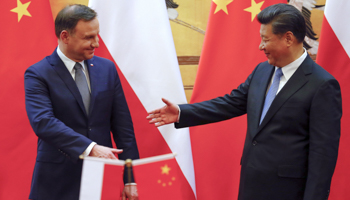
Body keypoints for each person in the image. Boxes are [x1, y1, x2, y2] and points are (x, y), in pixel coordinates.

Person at [147, 3, 342, 200]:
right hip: (251, 185)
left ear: (288, 38)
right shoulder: (262, 71)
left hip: (289, 192)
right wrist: (182, 112)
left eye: (266, 39)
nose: (260, 46)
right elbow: (230, 103)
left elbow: (322, 157)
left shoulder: (322, 85)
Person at [25, 4, 139, 200]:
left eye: (97, 35)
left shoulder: (107, 69)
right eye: (88, 37)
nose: (96, 43)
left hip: (102, 178)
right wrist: (91, 148)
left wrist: (131, 179)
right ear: (65, 37)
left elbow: (123, 128)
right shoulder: (38, 73)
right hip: (57, 181)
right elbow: (43, 122)